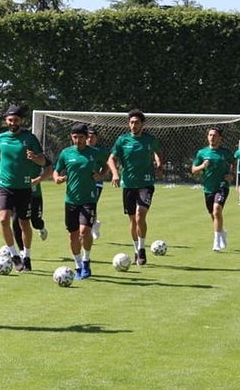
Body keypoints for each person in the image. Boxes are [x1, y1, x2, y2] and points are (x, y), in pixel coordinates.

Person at [0, 105, 46, 272]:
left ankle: (27, 256)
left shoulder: (29, 138)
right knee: (3, 219)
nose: (13, 123)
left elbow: (43, 161)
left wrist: (34, 158)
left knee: (24, 224)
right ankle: (14, 254)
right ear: (6, 120)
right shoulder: (1, 137)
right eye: (10, 120)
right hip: (4, 186)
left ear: (21, 121)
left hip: (24, 187)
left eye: (16, 120)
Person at [107, 109, 163, 266]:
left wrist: (159, 166)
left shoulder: (149, 140)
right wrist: (115, 174)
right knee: (132, 220)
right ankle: (136, 250)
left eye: (136, 122)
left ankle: (142, 249)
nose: (133, 125)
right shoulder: (122, 140)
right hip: (128, 185)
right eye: (131, 122)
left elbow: (158, 152)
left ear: (142, 124)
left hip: (146, 183)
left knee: (140, 215)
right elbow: (111, 159)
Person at [53, 123, 108, 279]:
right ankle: (77, 266)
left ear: (86, 138)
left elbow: (106, 166)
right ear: (71, 137)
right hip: (71, 200)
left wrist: (100, 175)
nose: (78, 140)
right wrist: (57, 177)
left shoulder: (94, 153)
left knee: (84, 231)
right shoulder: (66, 153)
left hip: (89, 198)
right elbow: (57, 169)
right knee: (73, 236)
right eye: (75, 137)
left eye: (81, 137)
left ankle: (86, 261)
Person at [192, 127, 235, 252]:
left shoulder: (225, 153)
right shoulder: (202, 153)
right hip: (208, 188)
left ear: (220, 138)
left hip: (222, 186)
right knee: (213, 214)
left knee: (217, 211)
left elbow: (234, 162)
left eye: (215, 135)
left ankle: (216, 242)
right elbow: (193, 170)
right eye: (210, 135)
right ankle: (222, 232)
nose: (212, 137)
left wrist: (232, 174)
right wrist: (202, 166)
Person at [12, 160, 53, 252]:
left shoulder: (37, 155)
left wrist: (37, 180)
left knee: (36, 222)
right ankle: (22, 251)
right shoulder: (15, 151)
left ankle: (41, 228)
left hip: (35, 195)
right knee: (16, 221)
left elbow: (50, 168)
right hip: (19, 194)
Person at [86, 127, 109, 239]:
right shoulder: (81, 150)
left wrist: (101, 175)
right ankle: (94, 224)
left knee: (91, 204)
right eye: (88, 137)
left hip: (96, 183)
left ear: (96, 138)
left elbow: (108, 164)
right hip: (83, 183)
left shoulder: (101, 151)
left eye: (92, 137)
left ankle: (89, 228)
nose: (90, 139)